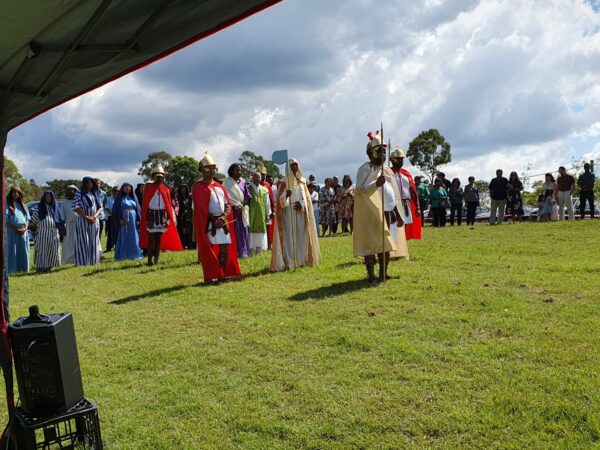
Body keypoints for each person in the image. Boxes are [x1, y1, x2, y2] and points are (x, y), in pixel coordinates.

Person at [354, 131, 406, 283]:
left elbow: (393, 194)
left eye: (384, 151)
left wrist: (397, 213)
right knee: (371, 244)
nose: (383, 154)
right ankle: (371, 275)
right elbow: (361, 190)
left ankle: (383, 273)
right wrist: (375, 183)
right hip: (371, 212)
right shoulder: (365, 169)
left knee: (385, 244)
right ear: (372, 153)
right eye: (381, 151)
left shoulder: (387, 170)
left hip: (387, 212)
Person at [192, 153, 241, 283]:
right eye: (209, 168)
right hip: (209, 224)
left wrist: (224, 217)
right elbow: (200, 209)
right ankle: (209, 276)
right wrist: (214, 221)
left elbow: (228, 205)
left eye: (214, 168)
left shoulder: (220, 187)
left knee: (224, 250)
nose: (213, 170)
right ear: (202, 170)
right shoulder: (198, 187)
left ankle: (221, 275)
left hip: (222, 223)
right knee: (209, 252)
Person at [271, 158, 320, 271]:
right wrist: (286, 196)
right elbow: (280, 203)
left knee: (300, 236)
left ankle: (301, 259)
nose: (294, 168)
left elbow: (307, 200)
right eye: (292, 166)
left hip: (300, 214)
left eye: (296, 165)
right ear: (288, 168)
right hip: (288, 215)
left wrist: (302, 204)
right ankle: (289, 261)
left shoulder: (302, 182)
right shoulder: (284, 183)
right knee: (289, 237)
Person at [139, 165, 183, 265]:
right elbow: (145, 205)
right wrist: (146, 220)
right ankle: (149, 260)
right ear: (154, 177)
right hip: (151, 216)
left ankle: (156, 259)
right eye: (157, 176)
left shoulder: (165, 189)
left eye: (161, 176)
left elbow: (168, 205)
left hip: (161, 216)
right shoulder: (148, 188)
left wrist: (167, 219)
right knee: (151, 239)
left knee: (158, 239)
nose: (159, 178)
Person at [391, 147, 422, 238]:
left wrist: (417, 206)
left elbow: (413, 191)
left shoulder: (406, 173)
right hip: (393, 204)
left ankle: (402, 247)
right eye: (398, 159)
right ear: (392, 160)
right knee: (394, 227)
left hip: (405, 204)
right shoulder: (388, 173)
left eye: (402, 159)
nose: (400, 161)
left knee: (404, 228)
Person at [31, 191, 64, 272]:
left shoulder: (55, 208)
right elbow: (34, 221)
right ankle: (41, 268)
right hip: (43, 232)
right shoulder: (38, 207)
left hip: (54, 232)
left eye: (50, 196)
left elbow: (59, 220)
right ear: (44, 197)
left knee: (53, 251)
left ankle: (49, 267)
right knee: (42, 250)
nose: (49, 198)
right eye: (47, 196)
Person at [73, 177, 102, 266]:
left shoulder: (95, 193)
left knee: (94, 241)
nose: (89, 184)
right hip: (83, 220)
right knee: (83, 241)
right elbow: (76, 207)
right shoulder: (79, 193)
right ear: (84, 183)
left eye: (91, 182)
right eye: (87, 182)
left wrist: (94, 217)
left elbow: (100, 207)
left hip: (94, 220)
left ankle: (93, 261)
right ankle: (82, 262)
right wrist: (86, 217)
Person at [223, 163, 251, 258]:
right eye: (237, 169)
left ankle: (243, 252)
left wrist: (241, 205)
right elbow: (224, 198)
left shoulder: (243, 182)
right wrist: (233, 206)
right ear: (232, 171)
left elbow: (248, 197)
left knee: (243, 232)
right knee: (233, 232)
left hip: (241, 211)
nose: (239, 171)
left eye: (240, 169)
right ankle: (233, 253)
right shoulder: (226, 183)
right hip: (231, 212)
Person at [112, 183, 143, 261]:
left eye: (129, 187)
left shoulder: (133, 198)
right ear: (123, 188)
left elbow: (138, 209)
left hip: (133, 219)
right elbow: (115, 210)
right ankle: (123, 254)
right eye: (126, 187)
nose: (128, 188)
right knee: (124, 235)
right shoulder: (119, 198)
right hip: (124, 219)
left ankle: (134, 254)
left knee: (134, 236)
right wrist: (119, 219)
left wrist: (138, 219)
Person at [5, 187, 30, 274]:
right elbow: (6, 220)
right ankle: (12, 270)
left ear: (20, 194)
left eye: (18, 192)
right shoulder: (7, 204)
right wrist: (15, 229)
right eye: (14, 192)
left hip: (23, 231)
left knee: (23, 251)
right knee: (13, 251)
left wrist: (25, 228)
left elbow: (27, 219)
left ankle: (23, 269)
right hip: (12, 231)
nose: (16, 194)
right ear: (11, 193)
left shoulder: (23, 205)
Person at [248, 172, 271, 255]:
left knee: (261, 232)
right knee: (251, 231)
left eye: (259, 177)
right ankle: (251, 250)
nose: (258, 179)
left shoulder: (265, 190)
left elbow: (267, 203)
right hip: (252, 214)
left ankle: (259, 249)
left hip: (262, 213)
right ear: (252, 178)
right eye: (256, 177)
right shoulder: (248, 188)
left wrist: (268, 214)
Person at [60, 185, 79, 265]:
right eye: (67, 190)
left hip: (79, 226)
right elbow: (61, 217)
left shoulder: (79, 201)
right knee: (68, 244)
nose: (68, 192)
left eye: (70, 190)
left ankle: (78, 259)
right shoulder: (64, 203)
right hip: (68, 226)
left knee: (78, 243)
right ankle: (67, 260)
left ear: (75, 191)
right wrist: (62, 227)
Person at [259, 165, 276, 248]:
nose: (263, 176)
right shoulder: (254, 184)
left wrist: (273, 210)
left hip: (267, 208)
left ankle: (269, 244)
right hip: (258, 209)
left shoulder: (267, 185)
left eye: (264, 174)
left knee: (268, 227)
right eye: (261, 174)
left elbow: (271, 198)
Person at [176, 184, 195, 249]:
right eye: (182, 188)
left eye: (185, 188)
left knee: (188, 231)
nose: (183, 190)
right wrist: (183, 211)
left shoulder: (188, 196)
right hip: (181, 217)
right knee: (183, 231)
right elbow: (178, 206)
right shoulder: (178, 196)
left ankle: (188, 244)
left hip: (188, 216)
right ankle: (183, 244)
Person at [105, 185, 119, 252]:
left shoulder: (121, 199)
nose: (116, 192)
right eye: (114, 190)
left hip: (119, 218)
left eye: (117, 191)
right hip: (111, 218)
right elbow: (107, 208)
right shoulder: (108, 199)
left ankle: (117, 246)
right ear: (112, 191)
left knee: (118, 232)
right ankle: (109, 247)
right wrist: (113, 214)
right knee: (110, 233)